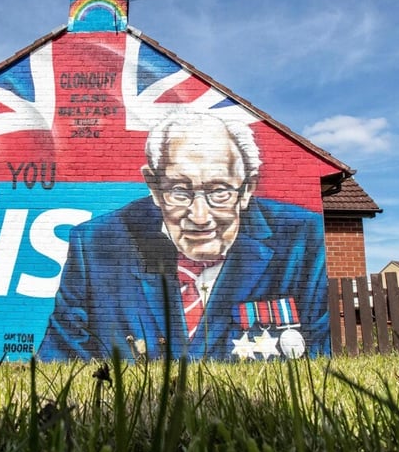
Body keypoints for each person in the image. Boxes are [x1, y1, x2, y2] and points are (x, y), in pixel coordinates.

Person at [38, 110, 329, 361]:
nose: (199, 216)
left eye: (219, 191)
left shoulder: (302, 239)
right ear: (153, 185)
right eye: (179, 190)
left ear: (247, 188)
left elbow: (319, 357)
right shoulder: (96, 245)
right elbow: (61, 362)